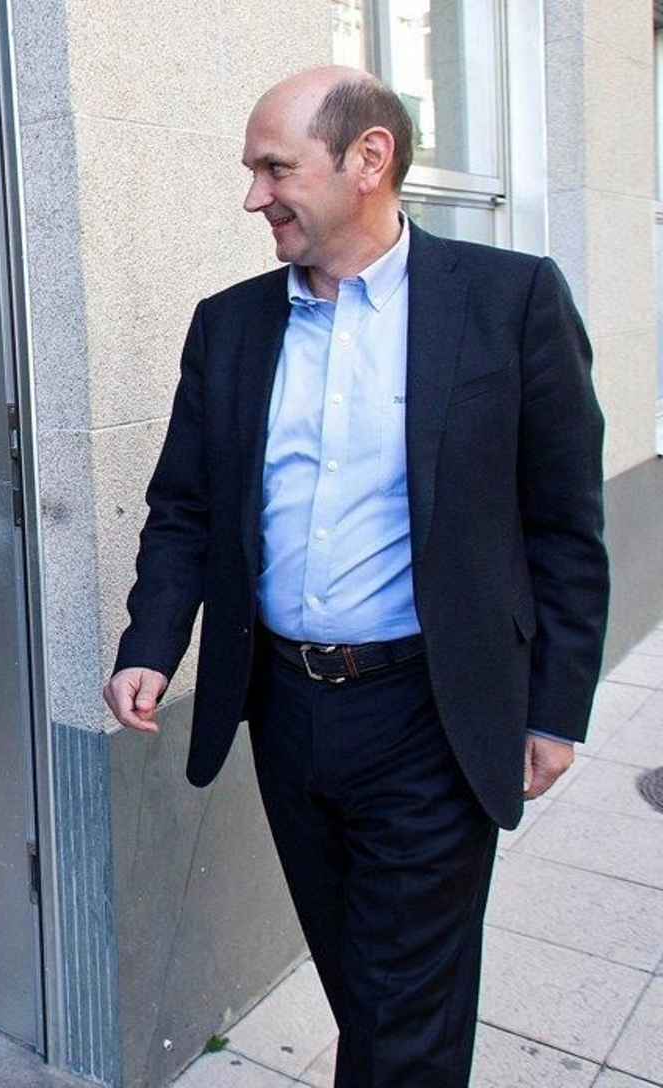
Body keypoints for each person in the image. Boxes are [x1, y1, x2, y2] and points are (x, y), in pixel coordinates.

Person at [102, 68, 607, 1086]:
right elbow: (186, 507)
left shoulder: (508, 302)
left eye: (273, 168)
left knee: (401, 1010)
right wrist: (152, 642)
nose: (254, 196)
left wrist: (553, 708)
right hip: (285, 713)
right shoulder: (229, 324)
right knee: (363, 977)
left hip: (432, 709)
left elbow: (564, 526)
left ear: (367, 159)